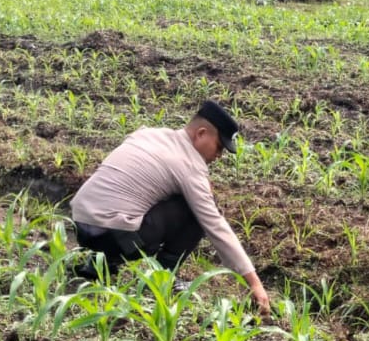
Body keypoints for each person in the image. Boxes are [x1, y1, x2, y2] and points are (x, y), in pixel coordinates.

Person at [70, 100, 271, 313]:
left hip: (80, 224)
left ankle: (99, 263)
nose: (219, 155)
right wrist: (254, 283)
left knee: (145, 197)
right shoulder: (189, 165)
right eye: (219, 146)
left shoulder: (147, 134)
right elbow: (215, 225)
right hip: (113, 237)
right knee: (194, 212)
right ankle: (162, 278)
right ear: (201, 133)